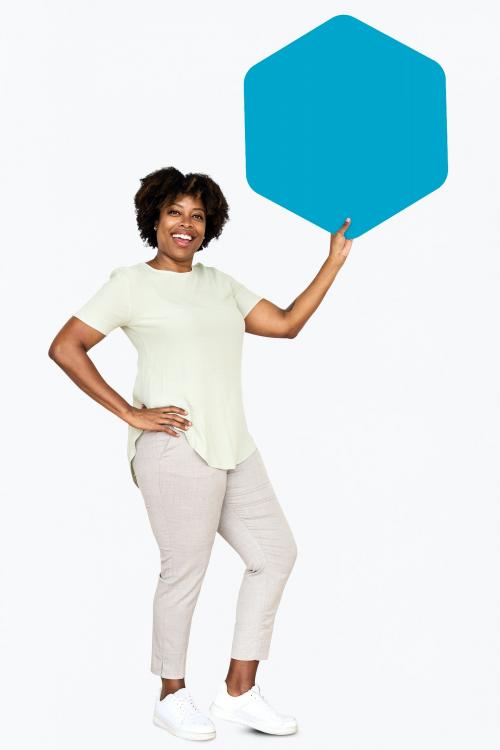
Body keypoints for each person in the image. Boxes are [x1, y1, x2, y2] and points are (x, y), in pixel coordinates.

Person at [48, 166, 353, 741]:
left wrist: (332, 261)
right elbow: (67, 346)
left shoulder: (220, 283)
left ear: (208, 226)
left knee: (275, 554)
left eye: (197, 215)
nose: (185, 224)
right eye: (174, 213)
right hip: (176, 447)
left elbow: (285, 324)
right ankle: (171, 695)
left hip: (233, 444)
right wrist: (131, 414)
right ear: (154, 220)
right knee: (184, 572)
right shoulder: (130, 284)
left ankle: (239, 692)